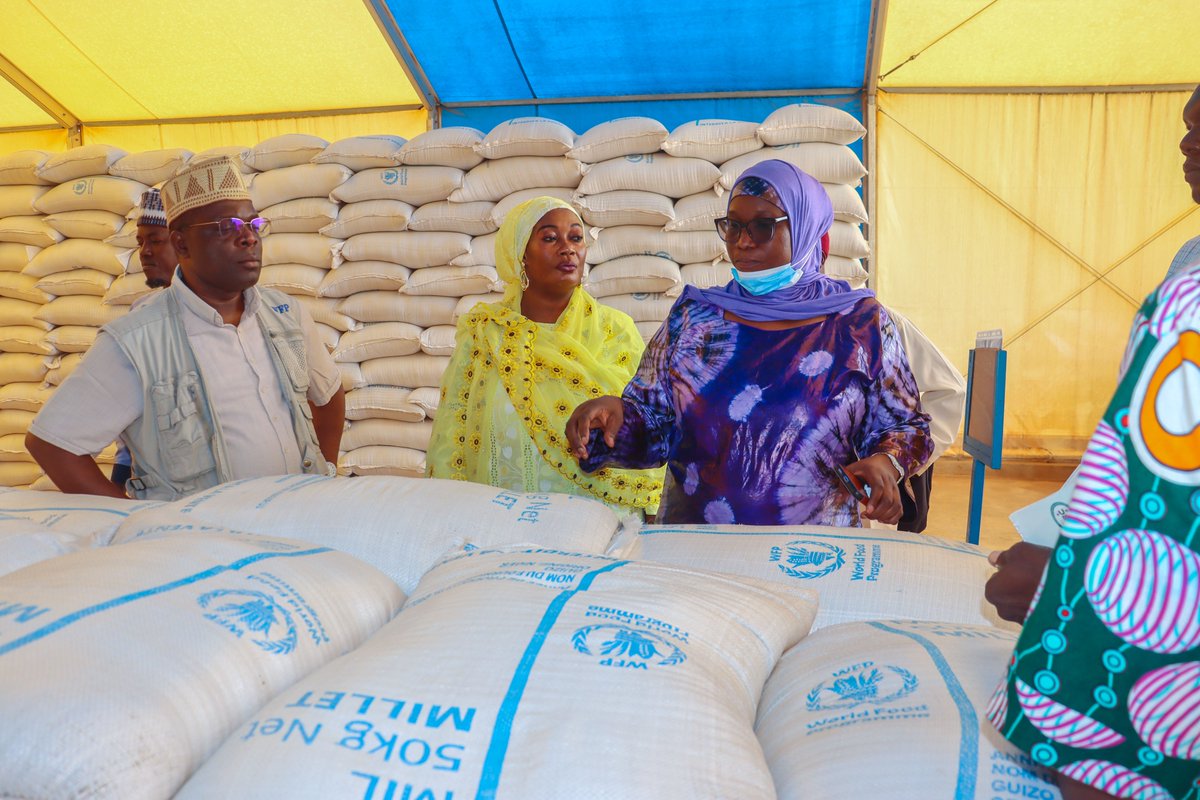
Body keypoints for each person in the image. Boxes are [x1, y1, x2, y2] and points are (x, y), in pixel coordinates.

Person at [983, 85, 1200, 800]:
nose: (1187, 138)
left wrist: (1068, 596)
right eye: (1186, 123)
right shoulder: (1190, 261)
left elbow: (1168, 536)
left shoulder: (1190, 303)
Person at [565, 160, 932, 526]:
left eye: (763, 226)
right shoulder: (695, 318)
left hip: (811, 557)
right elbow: (655, 427)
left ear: (806, 228)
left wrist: (886, 461)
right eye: (734, 226)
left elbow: (905, 426)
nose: (743, 241)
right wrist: (616, 419)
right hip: (695, 549)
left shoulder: (858, 324)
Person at [26, 156, 345, 501]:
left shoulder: (286, 315)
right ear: (181, 245)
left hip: (295, 521)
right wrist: (138, 521)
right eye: (228, 226)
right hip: (203, 544)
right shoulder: (136, 341)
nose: (248, 238)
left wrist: (324, 473)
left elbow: (329, 393)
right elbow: (53, 444)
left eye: (254, 225)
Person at [426, 196, 662, 516]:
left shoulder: (615, 331)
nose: (568, 248)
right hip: (500, 525)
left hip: (600, 526)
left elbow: (651, 424)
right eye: (549, 238)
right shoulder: (486, 333)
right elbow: (452, 434)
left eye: (575, 237)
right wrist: (444, 513)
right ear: (518, 255)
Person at [110, 188, 178, 489]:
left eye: (155, 240)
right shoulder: (142, 314)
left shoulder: (236, 313)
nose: (145, 252)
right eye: (140, 242)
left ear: (184, 244)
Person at [886, 308, 966, 532]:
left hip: (890, 469)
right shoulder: (783, 317)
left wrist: (901, 457)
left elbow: (950, 389)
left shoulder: (883, 320)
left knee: (892, 550)